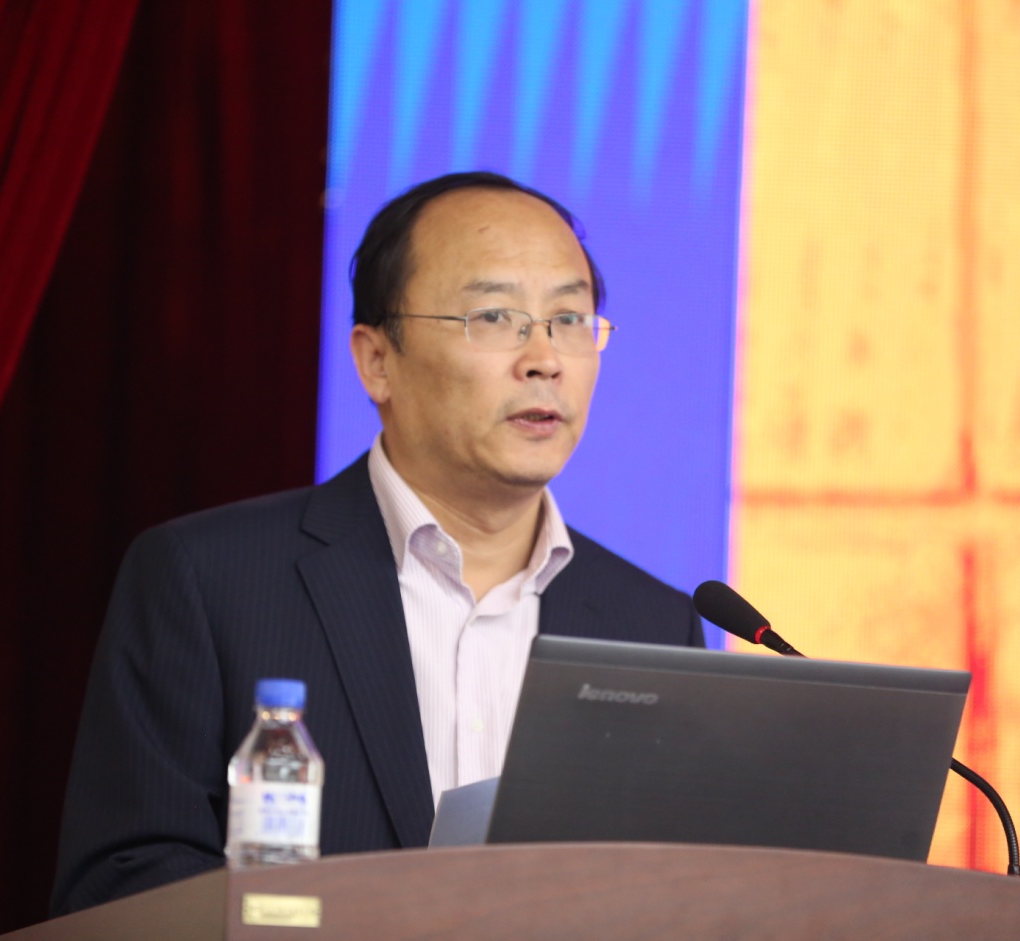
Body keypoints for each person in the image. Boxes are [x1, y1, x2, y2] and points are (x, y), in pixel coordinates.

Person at [50, 172, 703, 915]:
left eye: (569, 319)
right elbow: (123, 884)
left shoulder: (653, 625)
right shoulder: (208, 581)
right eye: (494, 316)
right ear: (377, 361)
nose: (544, 358)